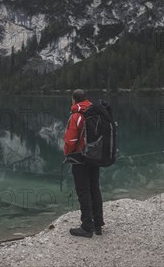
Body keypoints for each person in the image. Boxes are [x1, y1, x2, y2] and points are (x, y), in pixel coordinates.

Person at [63, 89, 104, 238]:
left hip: (80, 158)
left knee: (83, 191)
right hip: (95, 156)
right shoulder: (94, 112)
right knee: (94, 188)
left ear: (74, 100)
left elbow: (71, 140)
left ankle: (87, 226)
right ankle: (98, 224)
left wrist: (67, 153)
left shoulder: (77, 116)